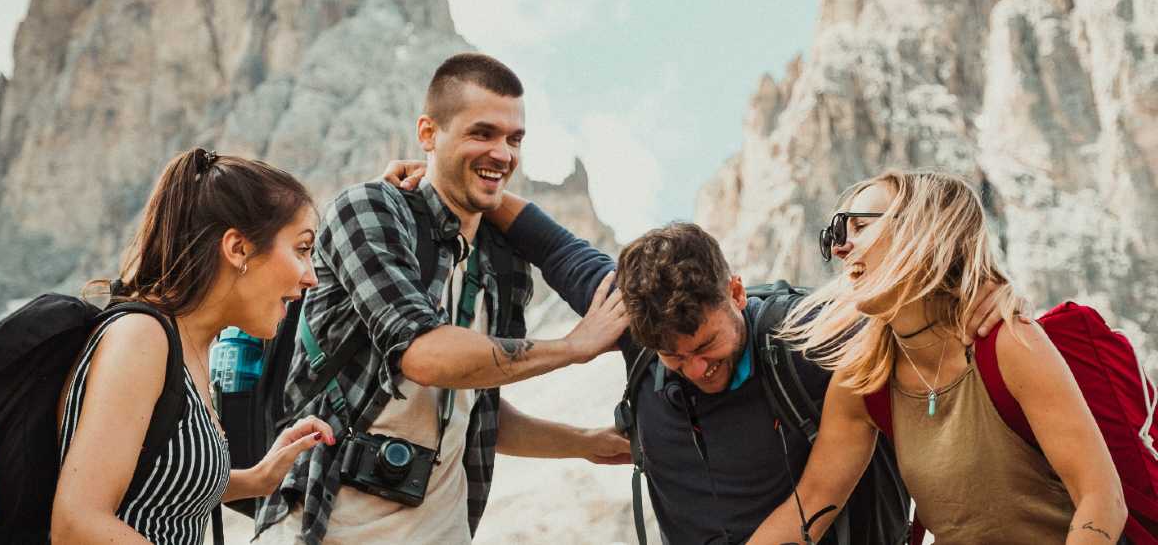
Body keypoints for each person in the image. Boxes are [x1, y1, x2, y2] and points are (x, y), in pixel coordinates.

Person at [385, 160, 1005, 544]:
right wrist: (453, 181)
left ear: (735, 292)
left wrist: (989, 295)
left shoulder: (805, 335)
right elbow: (553, 246)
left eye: (707, 346)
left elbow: (917, 291)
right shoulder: (635, 326)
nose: (698, 369)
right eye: (675, 359)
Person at [254, 53, 631, 544]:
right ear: (428, 133)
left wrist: (585, 444)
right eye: (482, 133)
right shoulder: (369, 210)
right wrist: (573, 348)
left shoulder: (502, 264)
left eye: (514, 139)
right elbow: (425, 355)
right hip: (321, 531)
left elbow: (475, 408)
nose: (503, 154)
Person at [746, 170, 1127, 544]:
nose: (840, 248)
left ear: (923, 231)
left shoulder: (1006, 343)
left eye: (860, 227)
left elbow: (1102, 499)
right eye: (838, 234)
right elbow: (809, 507)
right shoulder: (864, 379)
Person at [52, 148, 334, 544]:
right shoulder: (142, 339)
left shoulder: (192, 346)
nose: (311, 278)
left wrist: (259, 478)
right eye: (302, 249)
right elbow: (76, 524)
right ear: (238, 249)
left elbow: (159, 481)